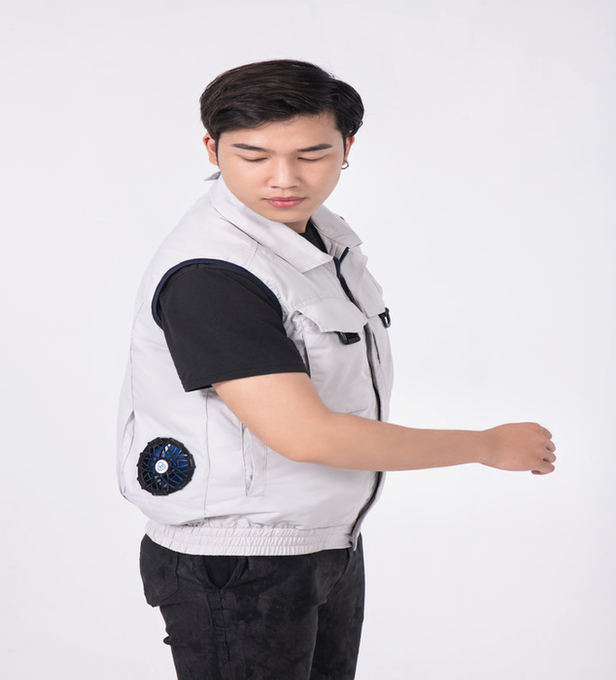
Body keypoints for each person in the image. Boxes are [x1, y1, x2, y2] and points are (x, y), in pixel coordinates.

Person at [115, 58, 557, 680]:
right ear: (212, 150)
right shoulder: (214, 273)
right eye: (253, 155)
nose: (284, 178)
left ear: (348, 148)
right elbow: (305, 434)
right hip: (237, 561)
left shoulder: (320, 240)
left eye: (312, 154)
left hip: (323, 540)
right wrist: (486, 446)